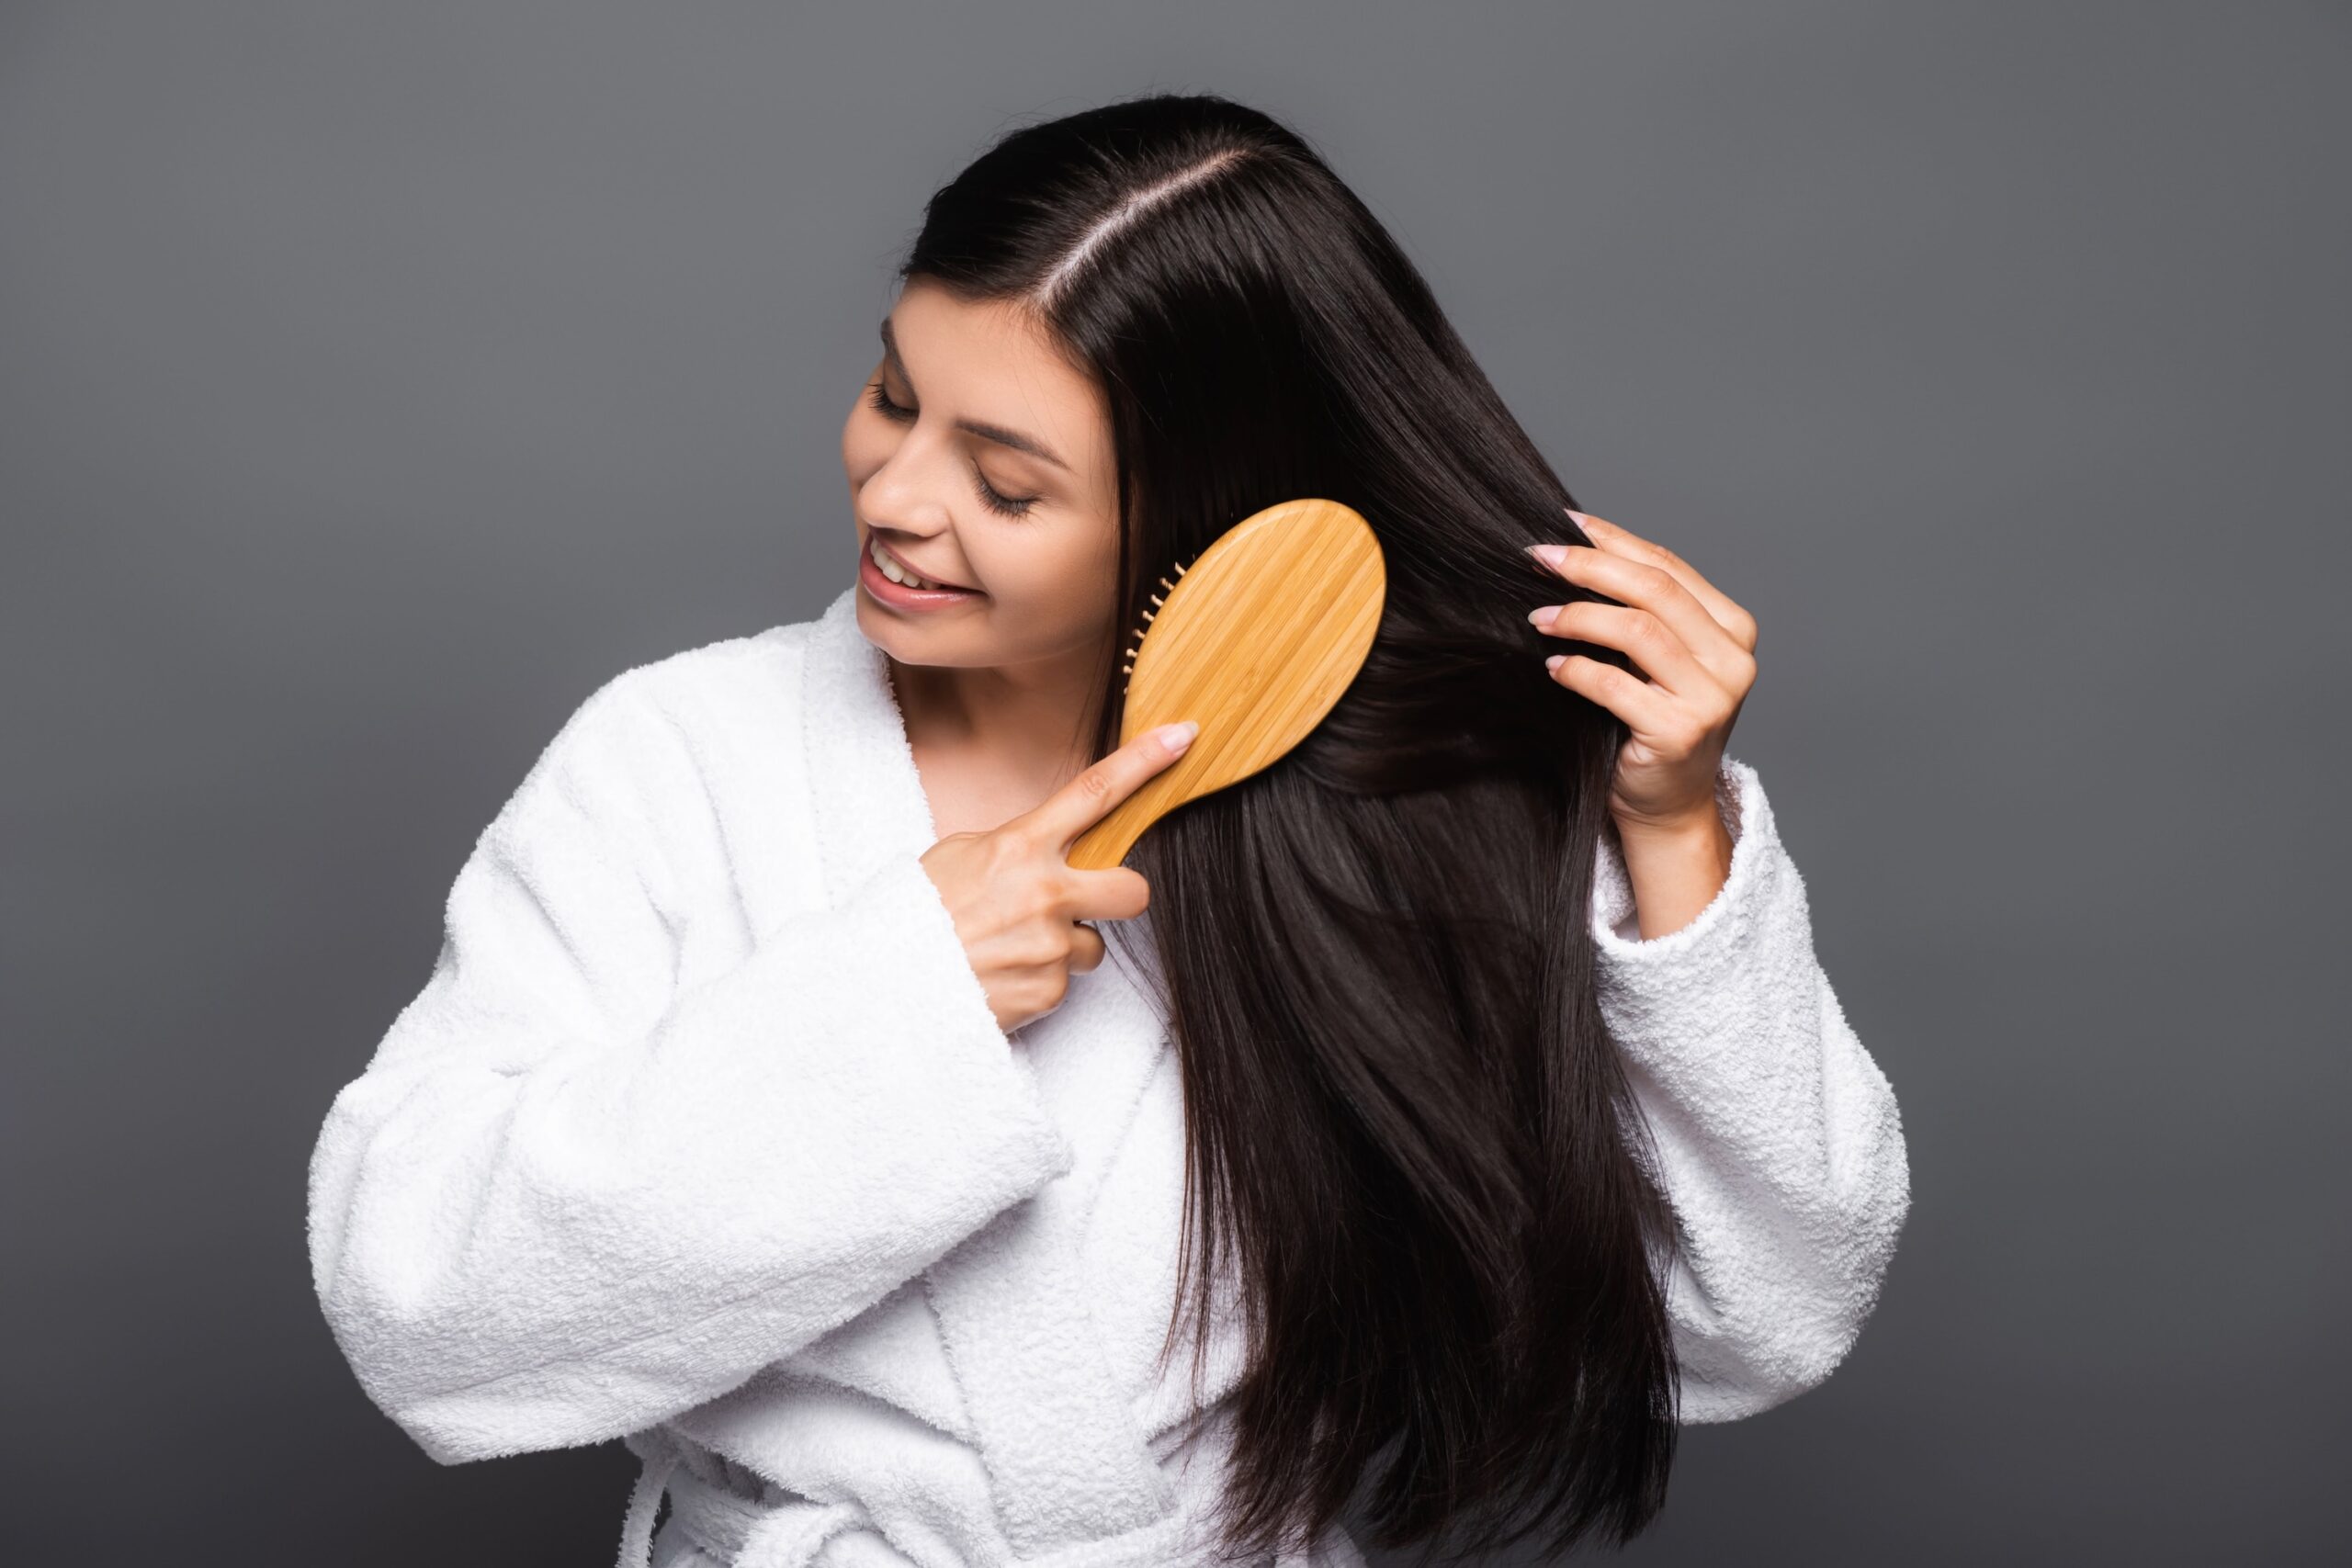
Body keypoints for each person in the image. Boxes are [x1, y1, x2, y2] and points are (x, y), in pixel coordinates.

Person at [306, 92, 1910, 1568]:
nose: (896, 495)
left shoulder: (1394, 826)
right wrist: (895, 1005)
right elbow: (422, 1312)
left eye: (1005, 483)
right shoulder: (679, 762)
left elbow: (1759, 1315)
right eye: (891, 395)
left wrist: (1679, 841)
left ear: (1208, 517)